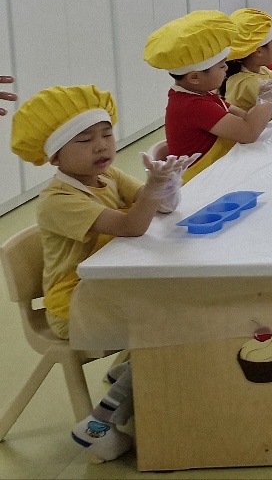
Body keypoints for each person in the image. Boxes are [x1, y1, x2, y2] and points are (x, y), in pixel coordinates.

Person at [11, 85, 198, 462]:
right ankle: (98, 422)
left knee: (179, 307)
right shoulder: (59, 201)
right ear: (54, 156)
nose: (101, 147)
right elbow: (132, 226)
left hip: (108, 286)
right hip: (72, 306)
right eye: (84, 140)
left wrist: (167, 184)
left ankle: (128, 377)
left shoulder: (108, 175)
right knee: (173, 320)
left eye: (107, 134)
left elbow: (159, 208)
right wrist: (152, 191)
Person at [145, 11, 272, 181]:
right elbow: (248, 133)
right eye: (221, 65)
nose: (227, 68)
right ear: (194, 77)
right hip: (201, 182)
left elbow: (246, 117)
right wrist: (268, 97)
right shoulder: (193, 106)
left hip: (218, 169)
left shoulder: (203, 95)